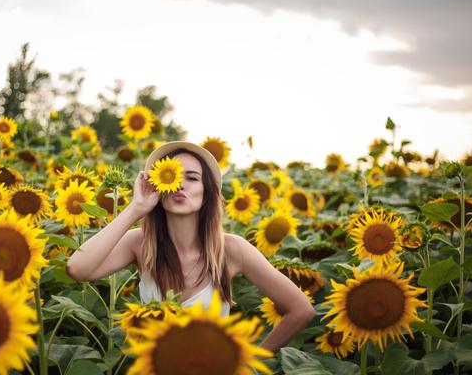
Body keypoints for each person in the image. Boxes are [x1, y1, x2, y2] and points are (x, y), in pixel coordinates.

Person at [66, 141, 315, 352]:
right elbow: (78, 269)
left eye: (192, 178)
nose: (180, 184)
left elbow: (301, 310)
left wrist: (249, 363)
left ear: (207, 193)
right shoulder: (140, 244)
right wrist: (136, 209)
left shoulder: (231, 250)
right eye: (170, 177)